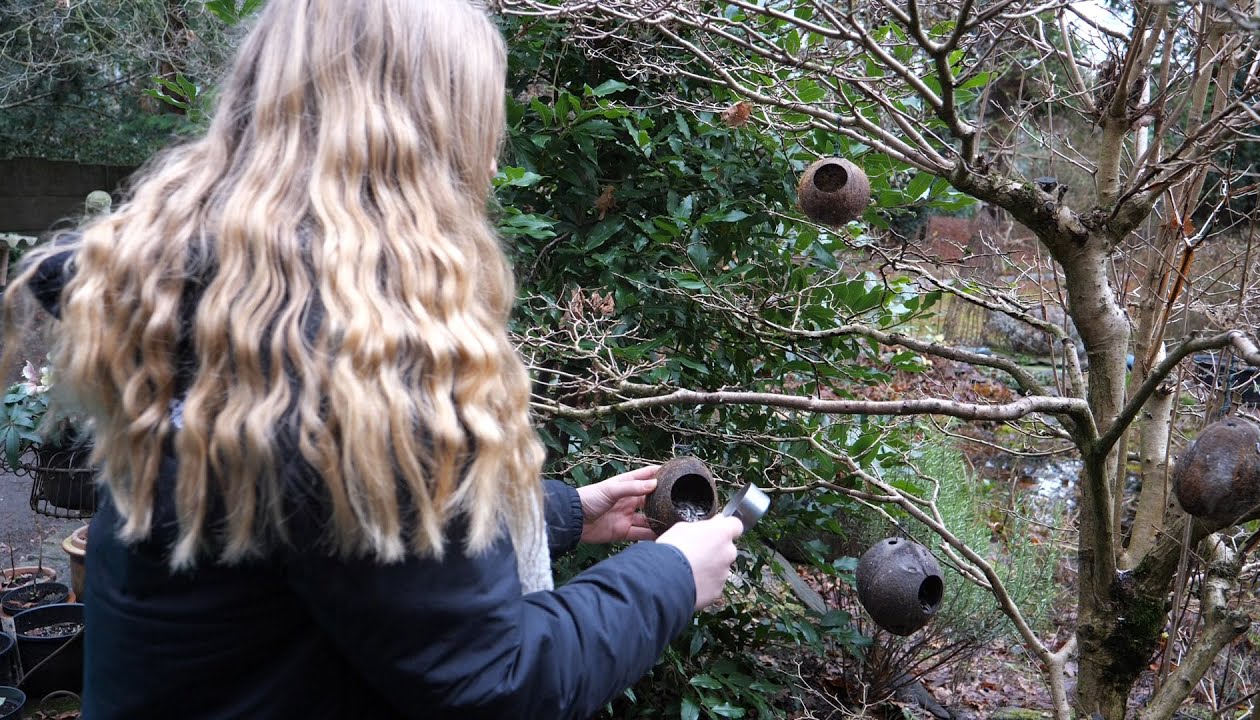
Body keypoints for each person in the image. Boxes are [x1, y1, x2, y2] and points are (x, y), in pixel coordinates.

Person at [2, 1, 744, 717]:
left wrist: (563, 514)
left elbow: (348, 561)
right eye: (479, 128)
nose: (490, 162)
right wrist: (672, 577)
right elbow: (497, 680)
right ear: (420, 144)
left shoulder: (231, 321)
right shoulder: (348, 378)